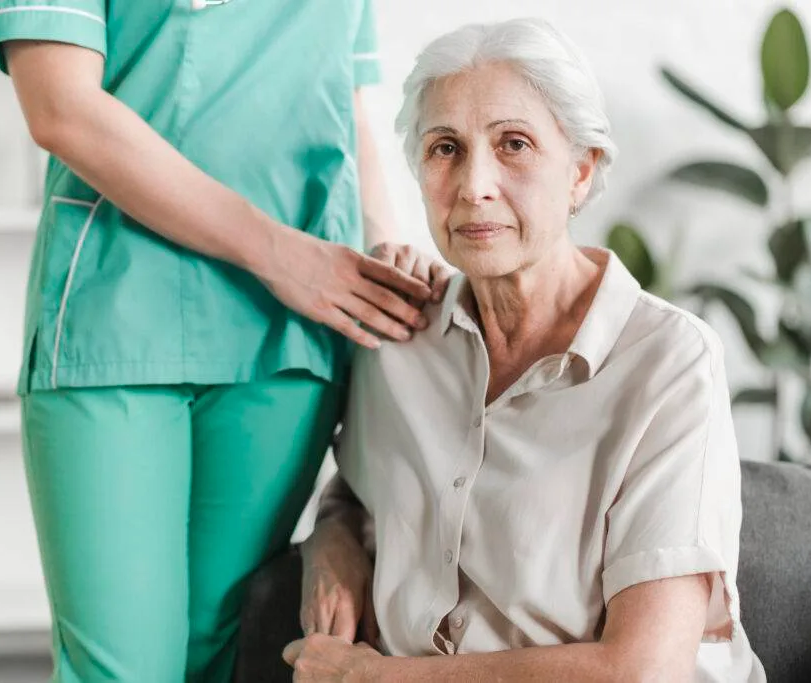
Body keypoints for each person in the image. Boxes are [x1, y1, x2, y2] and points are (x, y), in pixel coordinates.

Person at [288, 18, 766, 682]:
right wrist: (331, 541)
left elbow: (644, 668)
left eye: (514, 144)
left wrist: (372, 677)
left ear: (580, 171)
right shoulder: (399, 339)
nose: (474, 184)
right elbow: (365, 479)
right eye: (445, 147)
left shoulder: (670, 363)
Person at [0, 0, 450, 680]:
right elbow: (60, 107)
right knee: (120, 668)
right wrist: (279, 255)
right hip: (121, 313)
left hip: (289, 334)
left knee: (219, 654)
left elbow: (344, 106)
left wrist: (387, 247)